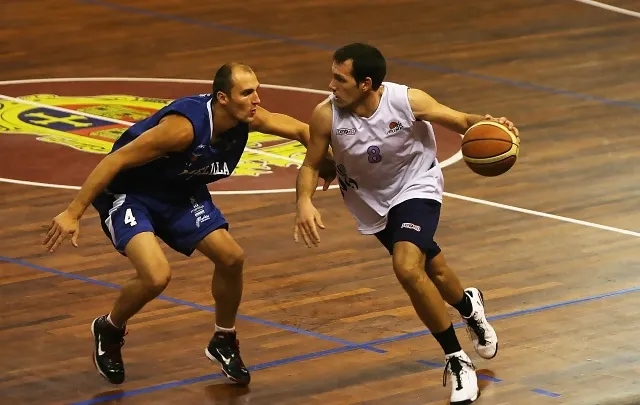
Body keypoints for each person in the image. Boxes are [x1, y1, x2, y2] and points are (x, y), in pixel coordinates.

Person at [42, 62, 336, 386]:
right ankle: (110, 328)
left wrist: (322, 161)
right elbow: (115, 160)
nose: (257, 100)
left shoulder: (248, 118)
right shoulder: (181, 129)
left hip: (180, 192)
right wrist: (73, 212)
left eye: (257, 91)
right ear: (222, 98)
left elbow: (302, 131)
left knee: (231, 258)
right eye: (247, 93)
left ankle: (224, 339)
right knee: (156, 276)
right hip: (131, 194)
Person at [293, 43, 519, 404]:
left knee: (407, 267)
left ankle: (457, 360)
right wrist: (304, 200)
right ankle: (469, 306)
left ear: (366, 84)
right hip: (371, 202)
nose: (331, 85)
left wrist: (492, 125)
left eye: (340, 79)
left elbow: (462, 121)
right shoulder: (326, 115)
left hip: (417, 186)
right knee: (434, 270)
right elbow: (310, 164)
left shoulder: (406, 101)